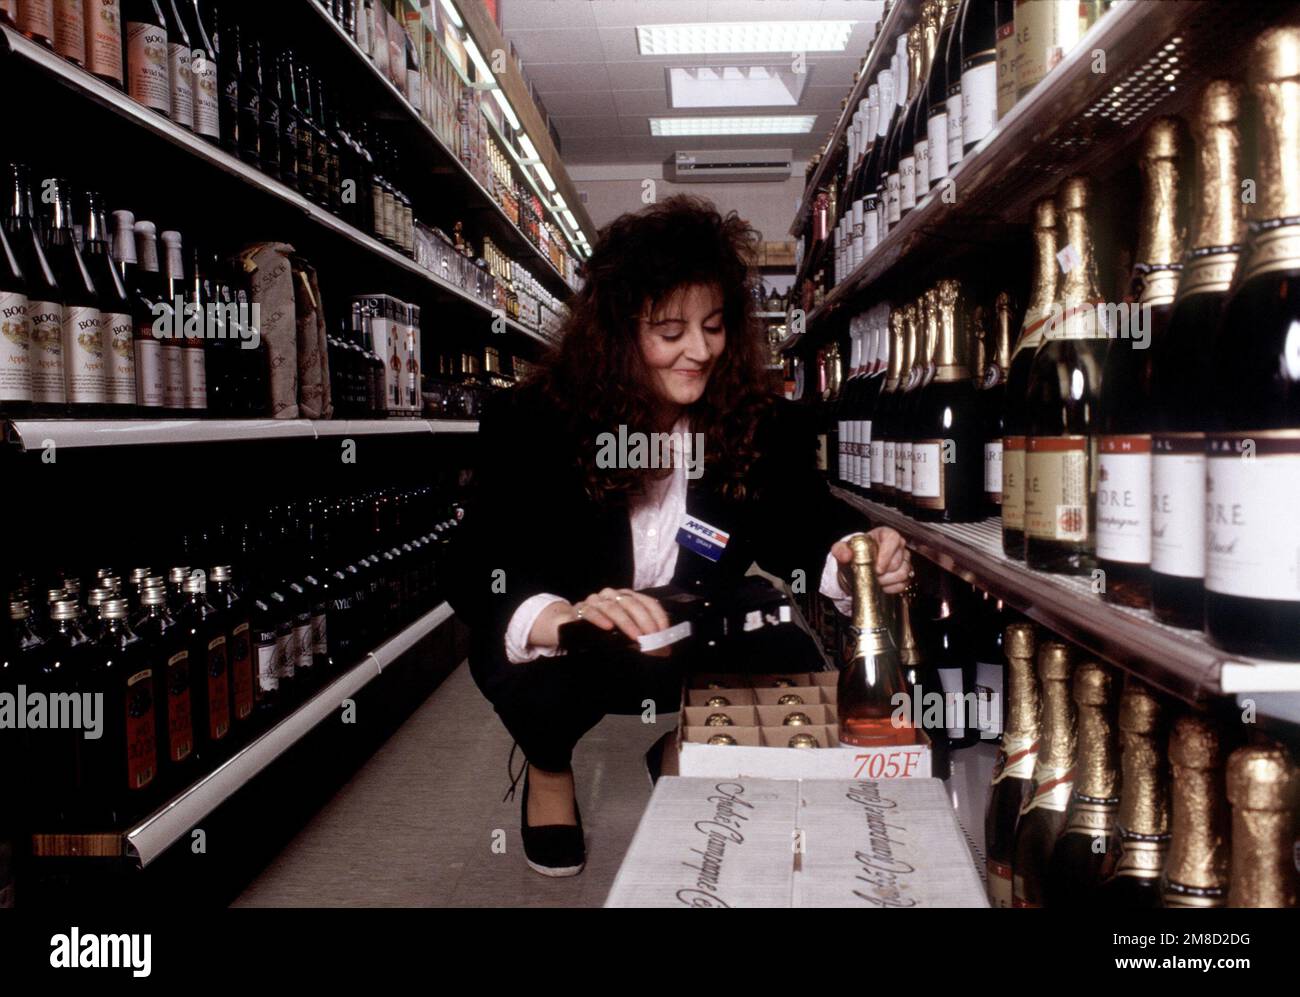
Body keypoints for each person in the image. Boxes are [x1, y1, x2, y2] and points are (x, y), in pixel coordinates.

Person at [446, 196, 912, 877]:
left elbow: (804, 522)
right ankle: (548, 765)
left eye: (715, 327)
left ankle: (684, 745)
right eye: (670, 331)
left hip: (694, 622)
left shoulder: (757, 423)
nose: (700, 351)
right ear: (616, 332)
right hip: (582, 636)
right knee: (522, 657)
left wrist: (850, 557)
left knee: (784, 641)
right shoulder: (532, 422)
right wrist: (558, 615)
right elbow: (473, 563)